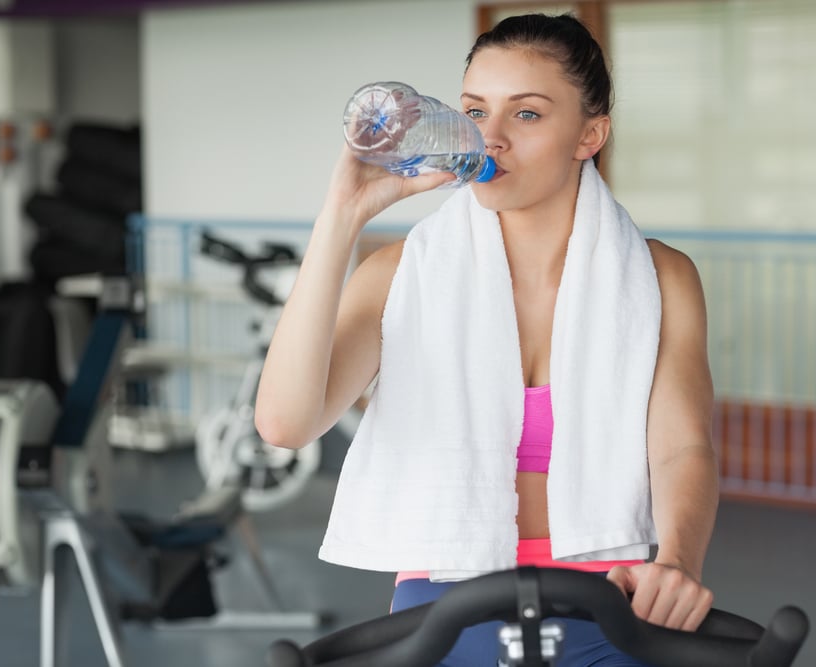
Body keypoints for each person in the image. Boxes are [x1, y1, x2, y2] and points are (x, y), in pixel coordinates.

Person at [255, 13, 718, 667]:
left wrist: (677, 561)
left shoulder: (658, 276)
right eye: (475, 110)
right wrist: (342, 215)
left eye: (526, 114)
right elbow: (284, 423)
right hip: (442, 597)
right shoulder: (398, 274)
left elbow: (682, 447)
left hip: (616, 592)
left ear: (590, 134)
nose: (490, 137)